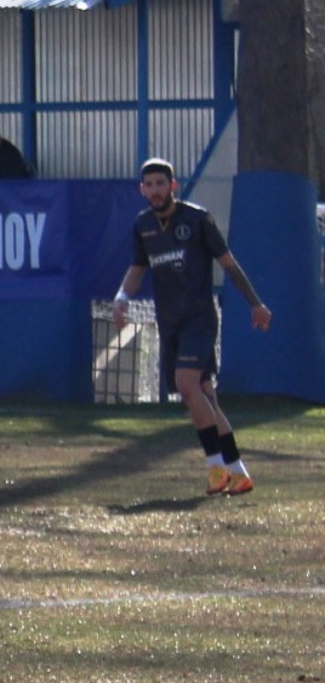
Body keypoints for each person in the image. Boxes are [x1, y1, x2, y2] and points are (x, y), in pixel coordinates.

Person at [112, 158, 272, 496]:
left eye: (161, 184)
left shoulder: (198, 220)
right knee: (205, 398)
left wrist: (255, 304)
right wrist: (122, 296)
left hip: (198, 318)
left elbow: (229, 265)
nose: (155, 191)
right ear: (142, 190)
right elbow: (137, 268)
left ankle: (215, 466)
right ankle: (238, 472)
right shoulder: (143, 226)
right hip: (169, 320)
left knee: (187, 386)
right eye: (149, 185)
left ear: (174, 186)